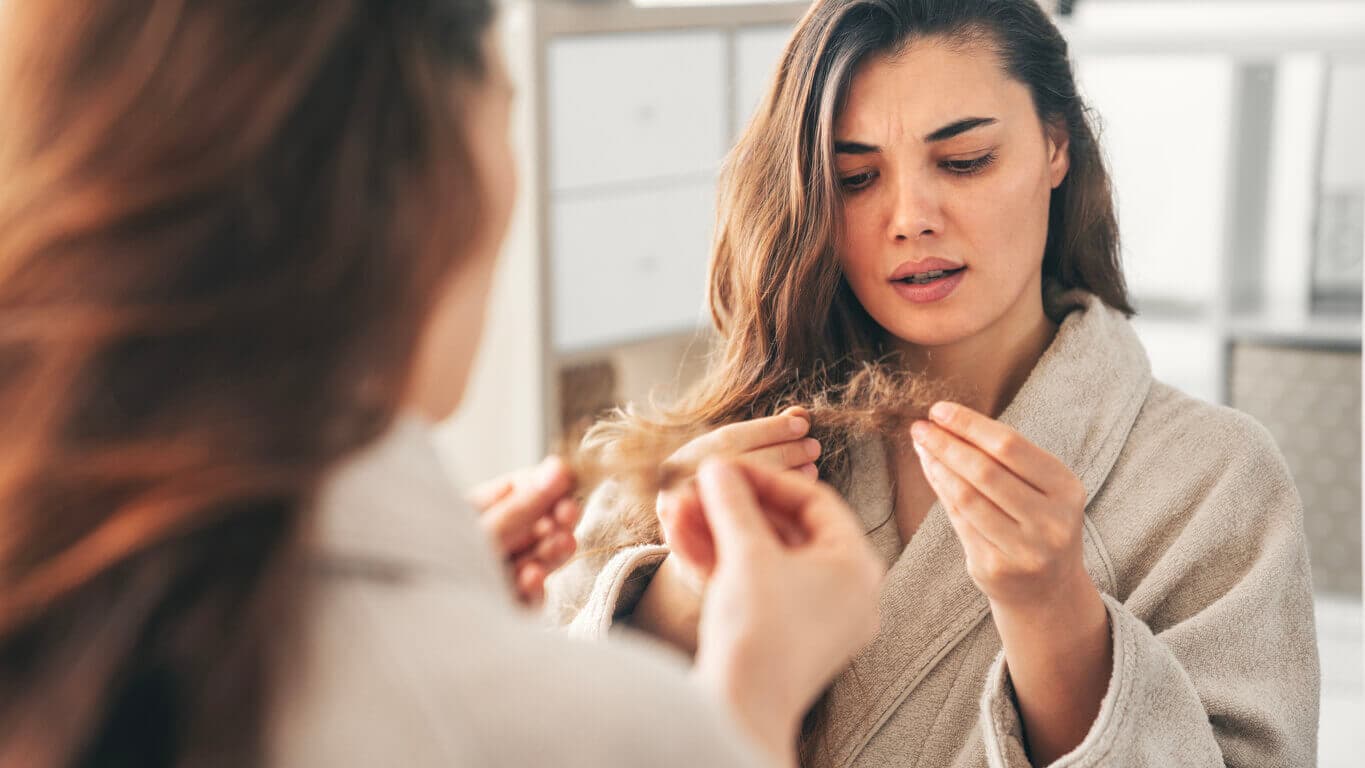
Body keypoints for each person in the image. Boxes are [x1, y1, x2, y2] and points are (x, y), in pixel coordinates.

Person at [0, 2, 886, 767]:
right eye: (506, 114)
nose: (910, 219)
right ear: (428, 184)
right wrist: (750, 702)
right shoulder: (594, 732)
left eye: (963, 160)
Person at [548, 0, 1321, 765]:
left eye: (963, 161)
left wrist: (1058, 619)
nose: (910, 217)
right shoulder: (713, 462)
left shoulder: (1214, 482)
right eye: (855, 178)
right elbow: (529, 730)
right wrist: (683, 597)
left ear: (1056, 145)